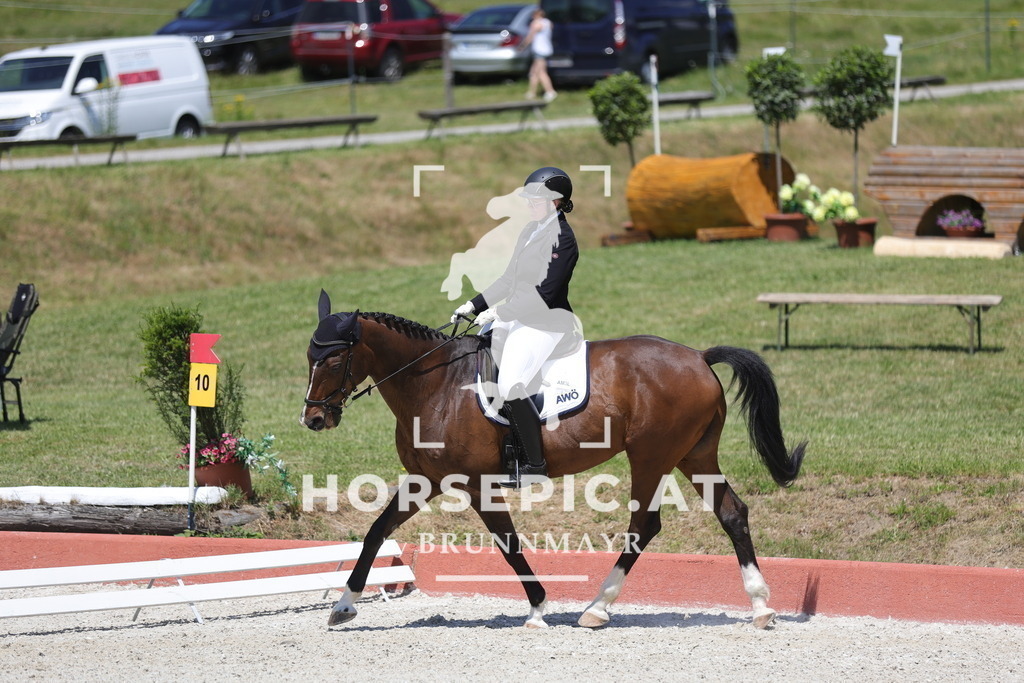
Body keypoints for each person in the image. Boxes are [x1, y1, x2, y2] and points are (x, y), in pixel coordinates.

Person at [450, 167, 580, 488]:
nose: (530, 204)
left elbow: (545, 292)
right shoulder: (530, 231)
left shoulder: (564, 240)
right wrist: (475, 304)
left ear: (557, 201)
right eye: (530, 199)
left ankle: (535, 465)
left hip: (546, 322)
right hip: (518, 316)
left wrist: (500, 312)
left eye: (537, 199)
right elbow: (509, 278)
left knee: (510, 384)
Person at [521, 9, 557, 103]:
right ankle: (531, 92)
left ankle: (550, 91)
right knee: (533, 72)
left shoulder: (536, 23)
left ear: (535, 15)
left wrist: (523, 46)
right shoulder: (548, 22)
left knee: (541, 72)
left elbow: (530, 36)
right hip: (546, 48)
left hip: (539, 50)